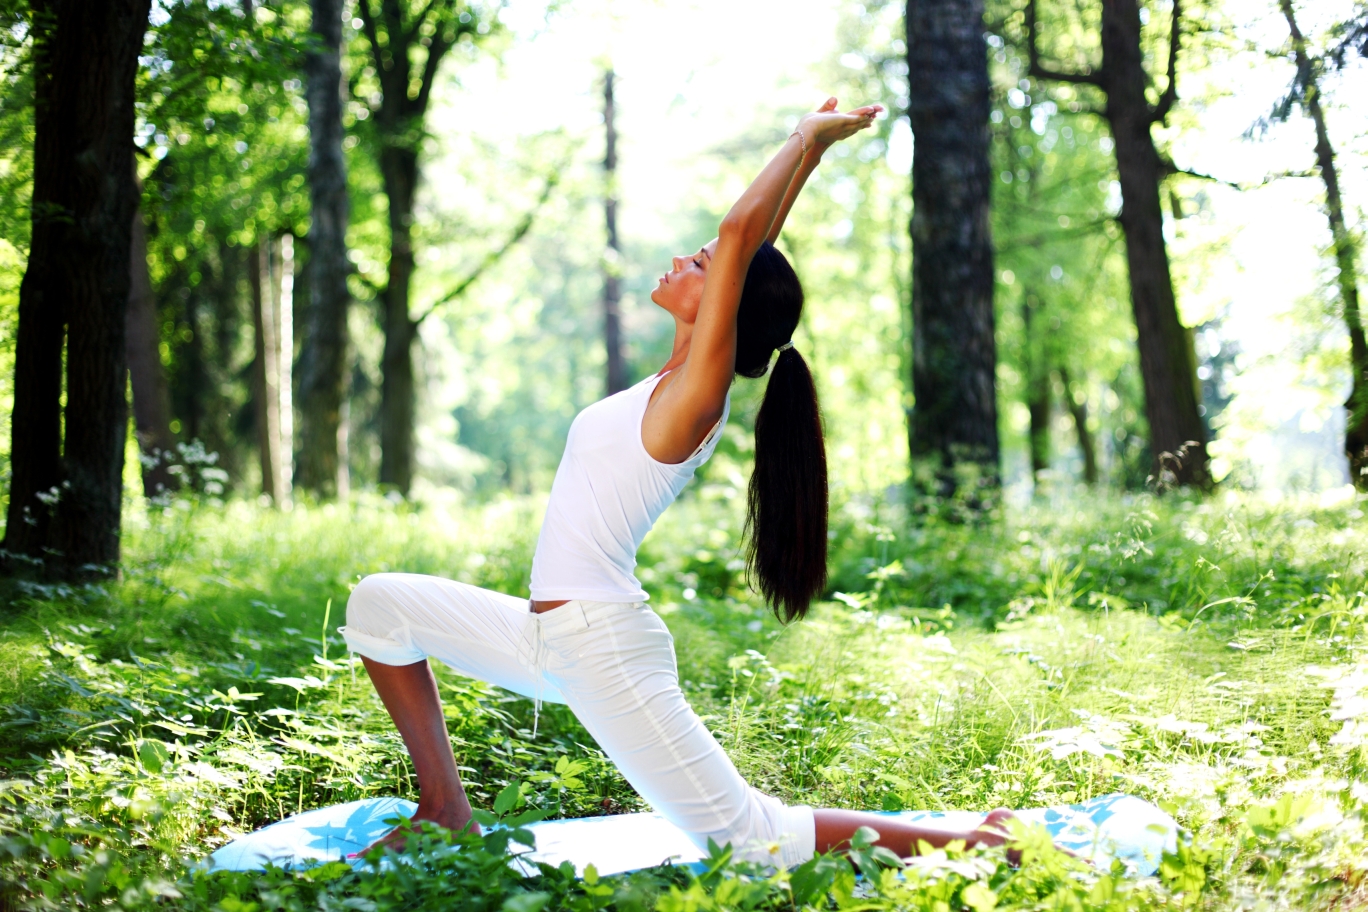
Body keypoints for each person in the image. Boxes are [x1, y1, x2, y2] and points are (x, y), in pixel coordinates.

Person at [340, 97, 1014, 868]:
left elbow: (738, 241)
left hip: (602, 649)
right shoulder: (672, 379)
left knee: (752, 843)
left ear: (722, 299)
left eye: (699, 265)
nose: (684, 260)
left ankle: (976, 840)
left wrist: (800, 135)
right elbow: (752, 248)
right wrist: (811, 156)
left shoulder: (698, 395)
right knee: (380, 604)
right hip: (545, 637)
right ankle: (444, 809)